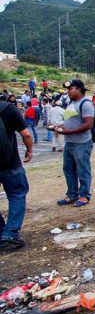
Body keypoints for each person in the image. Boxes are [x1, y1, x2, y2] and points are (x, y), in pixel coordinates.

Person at [54, 79, 95, 207]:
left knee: (83, 170)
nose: (68, 92)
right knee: (68, 169)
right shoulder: (71, 102)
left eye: (71, 89)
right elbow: (69, 120)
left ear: (79, 89)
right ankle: (72, 194)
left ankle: (84, 196)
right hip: (69, 142)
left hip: (82, 143)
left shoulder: (86, 104)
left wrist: (69, 132)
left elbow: (89, 124)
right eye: (68, 89)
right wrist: (58, 126)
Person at [0, 98, 33, 251]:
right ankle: (10, 233)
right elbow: (26, 134)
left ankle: (3, 231)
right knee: (17, 194)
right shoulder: (7, 108)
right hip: (10, 162)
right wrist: (29, 150)